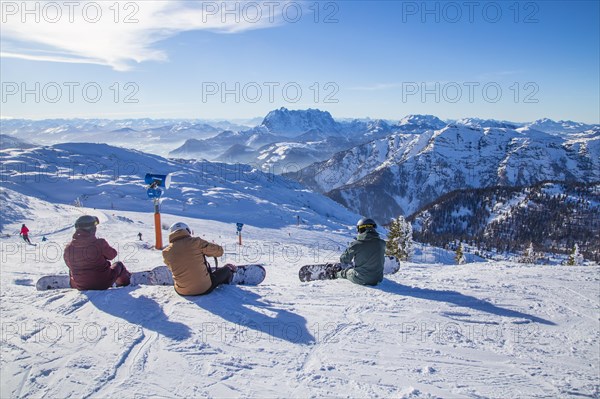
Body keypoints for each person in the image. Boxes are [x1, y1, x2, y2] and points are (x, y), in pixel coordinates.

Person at [162, 222, 235, 296]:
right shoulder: (196, 242)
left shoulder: (166, 252)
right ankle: (229, 275)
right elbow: (219, 252)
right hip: (204, 288)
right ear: (187, 230)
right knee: (226, 269)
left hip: (181, 290)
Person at [63, 215, 131, 290]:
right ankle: (124, 287)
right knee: (119, 265)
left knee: (72, 270)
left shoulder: (68, 248)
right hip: (103, 283)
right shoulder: (99, 243)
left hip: (81, 285)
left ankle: (74, 287)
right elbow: (113, 255)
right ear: (93, 229)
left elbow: (69, 265)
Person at [334, 217, 386, 286]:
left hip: (361, 279)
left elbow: (344, 259)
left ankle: (334, 273)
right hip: (378, 279)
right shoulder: (382, 243)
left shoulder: (356, 244)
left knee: (346, 272)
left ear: (361, 229)